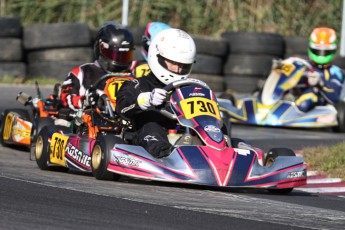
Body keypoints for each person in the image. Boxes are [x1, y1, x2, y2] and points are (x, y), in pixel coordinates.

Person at [116, 28, 196, 158]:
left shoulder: (188, 88)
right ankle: (167, 155)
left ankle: (221, 151)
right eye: (174, 63)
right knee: (151, 124)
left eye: (183, 65)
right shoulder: (137, 84)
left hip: (182, 130)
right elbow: (121, 108)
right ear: (157, 57)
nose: (178, 69)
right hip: (148, 133)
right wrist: (145, 100)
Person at [60, 22, 135, 111]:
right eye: (116, 55)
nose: (120, 60)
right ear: (101, 48)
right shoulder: (82, 73)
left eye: (125, 55)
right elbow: (65, 97)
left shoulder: (133, 77)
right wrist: (86, 101)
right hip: (89, 121)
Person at [294, 27, 344, 112]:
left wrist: (320, 84)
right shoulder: (300, 65)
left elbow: (335, 98)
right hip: (294, 99)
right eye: (317, 51)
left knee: (310, 96)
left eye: (325, 52)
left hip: (321, 108)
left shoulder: (336, 72)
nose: (321, 55)